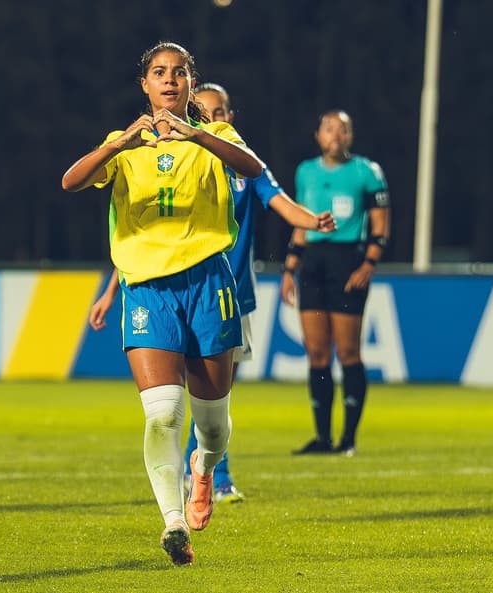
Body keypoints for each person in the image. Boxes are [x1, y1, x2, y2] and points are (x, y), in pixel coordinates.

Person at [61, 41, 263, 566]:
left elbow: (254, 169)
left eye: (178, 73)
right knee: (162, 414)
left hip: (209, 284)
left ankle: (204, 468)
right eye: (158, 73)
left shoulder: (214, 136)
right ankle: (173, 523)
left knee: (212, 424)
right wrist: (117, 146)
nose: (169, 80)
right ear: (145, 86)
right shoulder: (124, 143)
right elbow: (71, 181)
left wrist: (198, 134)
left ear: (191, 84)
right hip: (147, 287)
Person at [89, 83, 336, 505]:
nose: (212, 116)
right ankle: (197, 478)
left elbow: (278, 199)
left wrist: (312, 221)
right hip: (169, 291)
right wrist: (112, 290)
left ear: (229, 115)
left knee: (213, 402)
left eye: (219, 110)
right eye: (205, 110)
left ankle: (212, 472)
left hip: (229, 293)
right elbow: (149, 234)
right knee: (169, 400)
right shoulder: (178, 160)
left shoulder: (235, 163)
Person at [280, 110, 390, 457]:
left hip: (347, 262)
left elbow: (380, 224)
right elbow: (300, 222)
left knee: (347, 352)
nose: (336, 135)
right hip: (313, 263)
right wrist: (290, 267)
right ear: (318, 135)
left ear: (351, 136)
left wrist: (368, 264)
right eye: (329, 129)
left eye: (343, 129)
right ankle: (322, 437)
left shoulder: (367, 172)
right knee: (316, 353)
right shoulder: (305, 171)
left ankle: (349, 439)